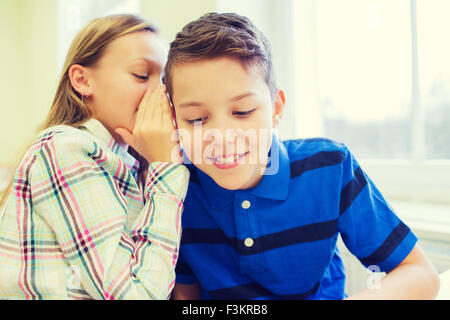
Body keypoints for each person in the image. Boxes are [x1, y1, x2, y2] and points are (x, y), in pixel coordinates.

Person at [163, 12, 440, 300]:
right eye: (196, 118)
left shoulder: (328, 167)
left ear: (276, 108)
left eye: (243, 112)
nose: (221, 137)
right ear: (174, 121)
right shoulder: (178, 187)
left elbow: (419, 274)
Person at [0, 14, 189, 299]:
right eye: (141, 74)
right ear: (82, 79)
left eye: (164, 81)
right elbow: (137, 295)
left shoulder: (130, 164)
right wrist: (167, 168)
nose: (159, 93)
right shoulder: (65, 148)